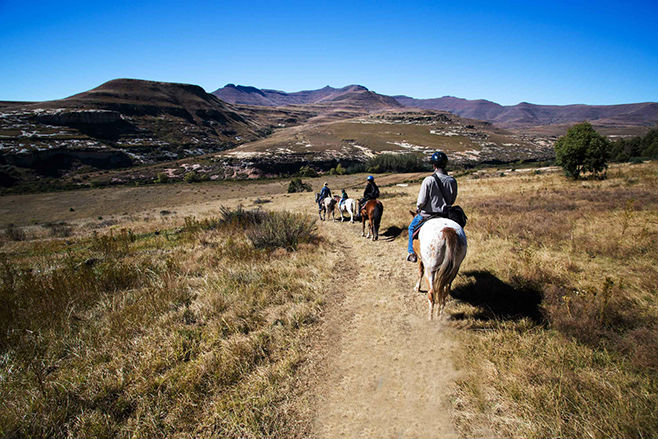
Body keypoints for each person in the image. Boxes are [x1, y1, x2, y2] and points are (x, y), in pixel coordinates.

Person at [407, 151, 457, 262]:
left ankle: (412, 253)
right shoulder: (452, 180)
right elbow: (452, 200)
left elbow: (421, 201)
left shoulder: (428, 180)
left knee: (411, 228)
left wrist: (418, 208)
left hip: (427, 215)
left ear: (433, 165)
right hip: (445, 215)